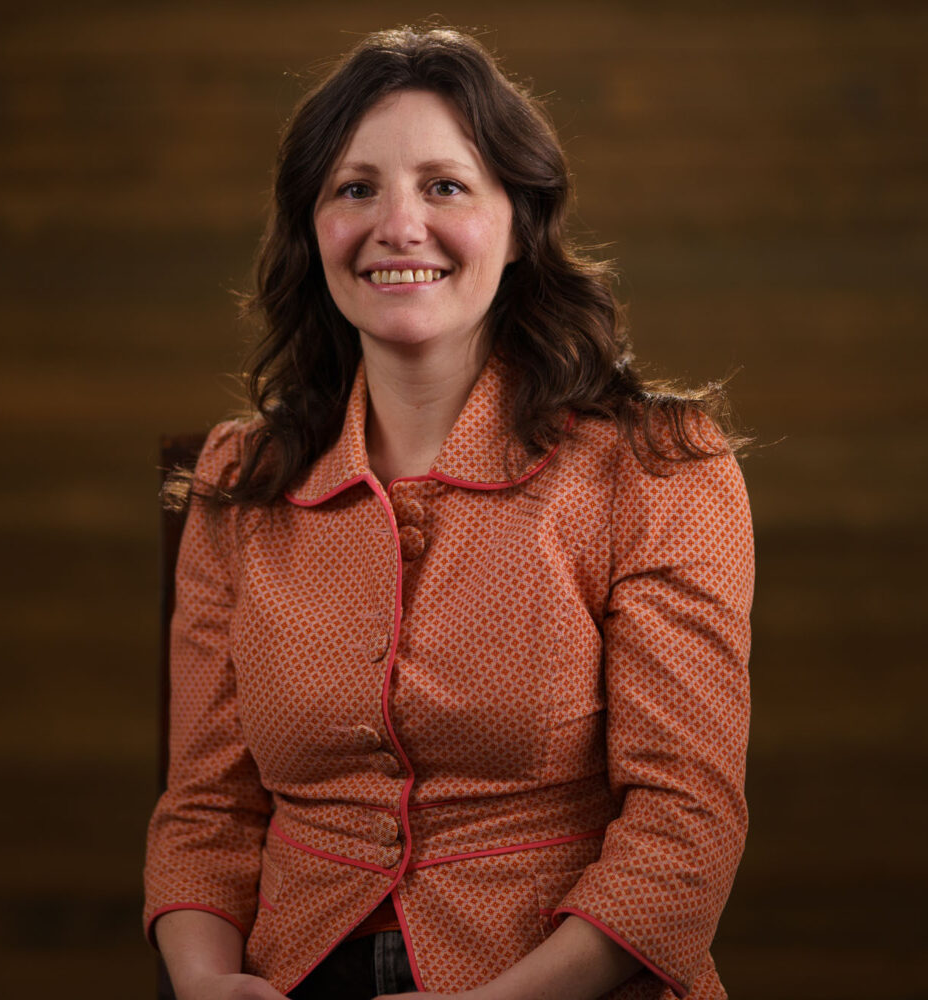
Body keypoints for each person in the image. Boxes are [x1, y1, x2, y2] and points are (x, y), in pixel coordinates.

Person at [145, 25, 754, 1000]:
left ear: (519, 227)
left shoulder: (656, 467)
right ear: (311, 230)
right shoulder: (240, 479)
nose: (398, 225)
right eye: (355, 189)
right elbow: (206, 810)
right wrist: (206, 980)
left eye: (445, 186)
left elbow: (687, 825)